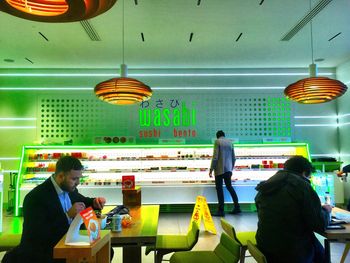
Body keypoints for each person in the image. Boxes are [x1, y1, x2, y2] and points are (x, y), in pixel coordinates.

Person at [3, 156, 109, 263]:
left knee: (105, 251)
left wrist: (95, 202)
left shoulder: (69, 188)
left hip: (65, 242)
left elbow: (82, 200)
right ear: (60, 176)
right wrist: (67, 215)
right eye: (74, 179)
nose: (78, 182)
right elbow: (38, 234)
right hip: (44, 252)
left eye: (79, 178)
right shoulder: (36, 198)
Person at [255, 156, 332, 263]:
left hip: (265, 244)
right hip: (290, 250)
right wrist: (327, 211)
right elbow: (319, 224)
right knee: (321, 255)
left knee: (317, 247)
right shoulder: (302, 186)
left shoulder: (268, 184)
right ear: (304, 173)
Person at [209, 130, 241, 217]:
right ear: (224, 135)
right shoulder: (230, 142)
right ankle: (237, 207)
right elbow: (234, 158)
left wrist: (211, 168)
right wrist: (231, 168)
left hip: (219, 170)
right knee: (229, 187)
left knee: (219, 189)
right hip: (228, 170)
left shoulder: (217, 142)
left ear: (217, 136)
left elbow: (215, 157)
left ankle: (221, 210)